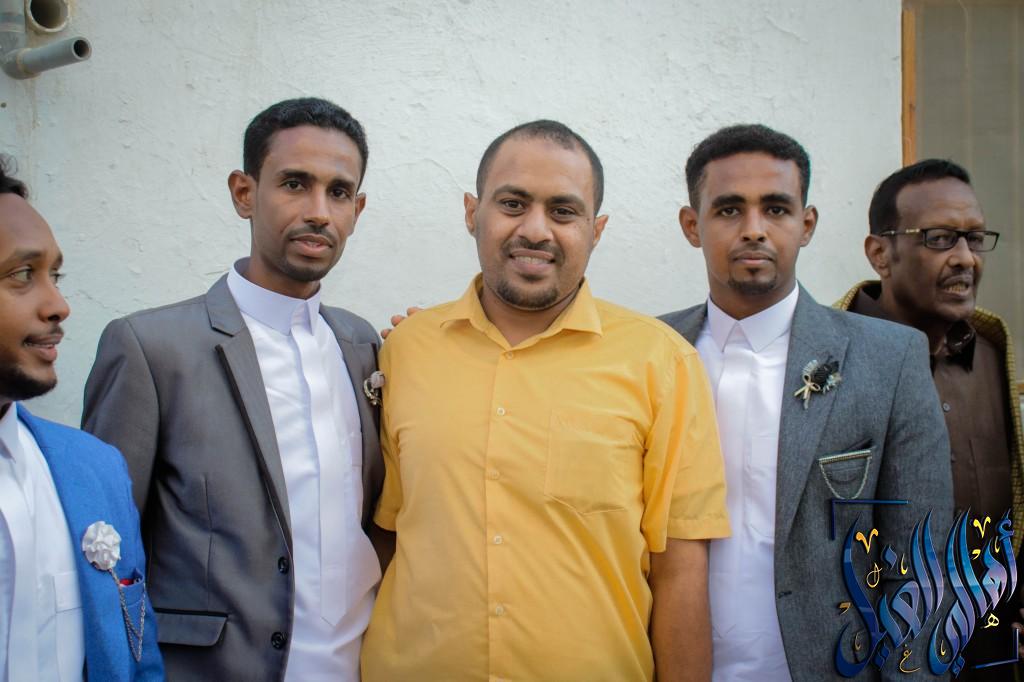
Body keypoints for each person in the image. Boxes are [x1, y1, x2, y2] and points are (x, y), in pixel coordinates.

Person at [360, 120, 729, 681]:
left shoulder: (662, 363)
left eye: (563, 211)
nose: (535, 230)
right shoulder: (406, 350)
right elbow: (388, 533)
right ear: (472, 212)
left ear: (596, 229)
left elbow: (680, 570)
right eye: (512, 203)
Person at [82, 98, 384, 680]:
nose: (318, 212)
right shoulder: (151, 348)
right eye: (294, 184)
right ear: (244, 193)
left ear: (358, 208)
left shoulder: (363, 345)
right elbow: (104, 551)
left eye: (339, 192)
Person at [659, 124, 954, 680]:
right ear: (692, 225)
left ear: (807, 223)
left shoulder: (888, 360)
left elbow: (919, 566)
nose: (754, 229)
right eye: (729, 210)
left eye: (776, 209)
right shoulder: (646, 353)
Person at [836, 158, 1023, 678]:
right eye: (939, 239)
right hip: (874, 653)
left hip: (991, 645)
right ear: (880, 253)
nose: (965, 259)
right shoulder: (830, 362)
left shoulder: (992, 353)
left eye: (975, 238)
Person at [0, 158, 163, 680]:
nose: (59, 305)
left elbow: (138, 661)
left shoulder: (96, 468)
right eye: (22, 275)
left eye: (55, 275)